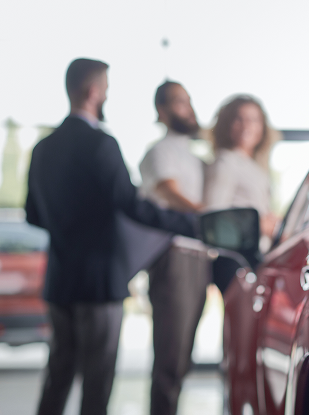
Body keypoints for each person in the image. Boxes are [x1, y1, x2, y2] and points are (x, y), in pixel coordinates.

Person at [25, 58, 198, 415]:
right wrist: (193, 225)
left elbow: (33, 214)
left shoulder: (43, 148)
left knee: (58, 373)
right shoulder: (101, 144)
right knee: (97, 379)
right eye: (105, 89)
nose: (106, 95)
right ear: (93, 92)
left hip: (60, 280)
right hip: (99, 281)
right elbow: (132, 205)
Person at [139, 81, 211, 415]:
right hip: (174, 257)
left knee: (183, 357)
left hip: (200, 258)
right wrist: (210, 218)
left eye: (189, 101)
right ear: (163, 110)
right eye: (180, 102)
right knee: (170, 357)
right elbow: (169, 192)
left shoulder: (195, 158)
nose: (189, 108)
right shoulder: (159, 152)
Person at [204, 94, 279, 240]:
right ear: (227, 125)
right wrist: (259, 225)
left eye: (253, 120)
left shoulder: (255, 167)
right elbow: (214, 215)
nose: (246, 125)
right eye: (239, 119)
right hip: (236, 249)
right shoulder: (225, 162)